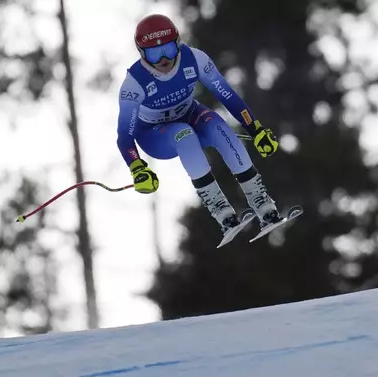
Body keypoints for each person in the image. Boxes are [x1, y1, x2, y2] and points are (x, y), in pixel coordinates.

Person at [116, 14, 282, 235]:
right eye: (154, 54)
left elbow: (227, 96)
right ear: (141, 53)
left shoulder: (195, 59)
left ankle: (263, 204)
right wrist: (137, 167)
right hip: (154, 135)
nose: (164, 59)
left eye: (169, 50)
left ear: (178, 43)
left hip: (190, 113)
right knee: (184, 134)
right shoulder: (134, 84)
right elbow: (124, 135)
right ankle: (222, 213)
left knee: (218, 126)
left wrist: (256, 129)